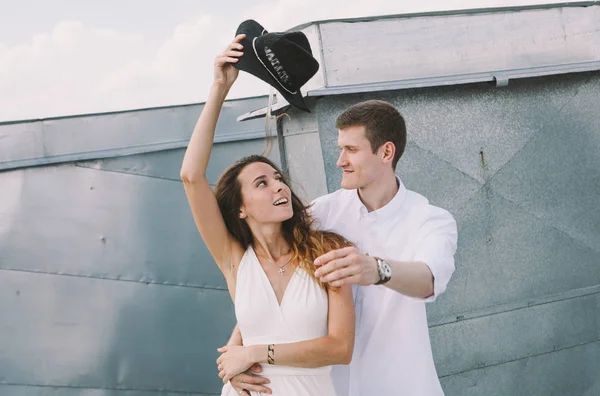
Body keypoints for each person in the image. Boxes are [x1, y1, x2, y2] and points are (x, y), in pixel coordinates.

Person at [226, 99, 458, 396]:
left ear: (386, 152)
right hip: (330, 389)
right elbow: (273, 284)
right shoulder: (320, 214)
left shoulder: (431, 219)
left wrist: (376, 270)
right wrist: (238, 351)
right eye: (340, 149)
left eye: (351, 150)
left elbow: (428, 281)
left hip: (401, 385)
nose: (340, 161)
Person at [180, 33, 355, 396]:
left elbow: (340, 348)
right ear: (240, 209)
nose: (279, 187)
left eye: (278, 179)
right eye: (262, 183)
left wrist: (256, 352)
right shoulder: (234, 261)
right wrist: (219, 88)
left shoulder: (326, 251)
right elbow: (191, 176)